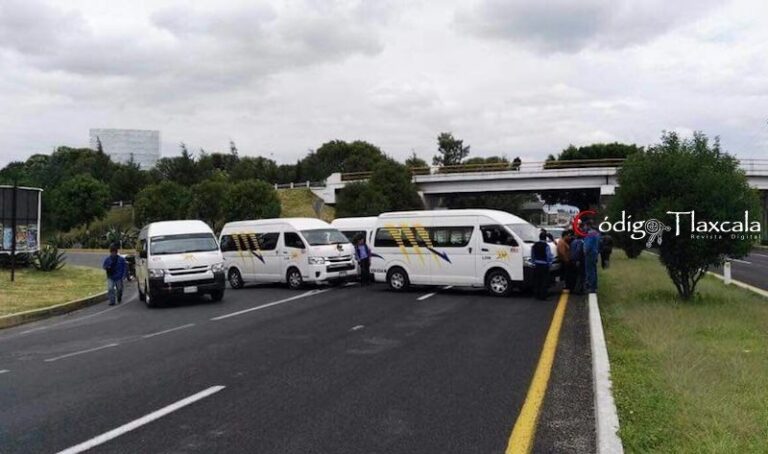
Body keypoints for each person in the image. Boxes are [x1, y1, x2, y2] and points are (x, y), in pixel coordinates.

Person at [530, 231, 553, 300]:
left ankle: (536, 295)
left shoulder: (534, 245)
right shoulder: (546, 246)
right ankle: (543, 296)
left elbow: (532, 255)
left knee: (537, 280)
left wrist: (533, 262)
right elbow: (548, 256)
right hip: (544, 265)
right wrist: (550, 263)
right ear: (545, 238)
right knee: (544, 281)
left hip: (537, 265)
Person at [583, 219, 601, 293]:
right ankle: (594, 286)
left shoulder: (590, 234)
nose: (584, 227)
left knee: (590, 271)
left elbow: (588, 245)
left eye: (585, 226)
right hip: (595, 253)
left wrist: (585, 251)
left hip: (590, 254)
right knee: (593, 270)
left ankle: (591, 287)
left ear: (588, 225)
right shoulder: (596, 233)